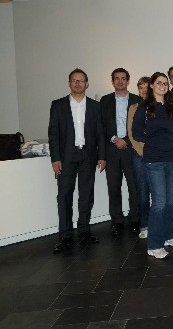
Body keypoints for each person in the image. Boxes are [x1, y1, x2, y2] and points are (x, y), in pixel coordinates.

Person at [48, 68, 106, 253]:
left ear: (86, 84)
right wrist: (55, 158)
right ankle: (65, 235)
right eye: (74, 81)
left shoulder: (95, 106)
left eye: (81, 81)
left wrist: (102, 156)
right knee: (64, 195)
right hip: (66, 157)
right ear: (69, 84)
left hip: (88, 156)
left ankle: (84, 231)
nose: (77, 84)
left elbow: (99, 133)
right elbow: (54, 133)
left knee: (86, 195)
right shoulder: (58, 105)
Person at [132, 72, 173, 259]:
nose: (163, 85)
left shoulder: (172, 106)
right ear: (152, 86)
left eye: (165, 83)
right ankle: (154, 244)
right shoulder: (144, 108)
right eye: (159, 83)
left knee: (170, 201)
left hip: (172, 159)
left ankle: (169, 235)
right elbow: (136, 133)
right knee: (159, 202)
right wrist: (154, 143)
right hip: (154, 160)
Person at [99, 68, 142, 236]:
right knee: (114, 188)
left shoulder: (137, 100)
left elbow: (140, 127)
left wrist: (127, 141)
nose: (120, 81)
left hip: (132, 150)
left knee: (134, 188)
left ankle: (134, 220)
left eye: (123, 78)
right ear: (112, 81)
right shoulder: (105, 101)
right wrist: (113, 138)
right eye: (116, 79)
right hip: (112, 150)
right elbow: (100, 125)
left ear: (128, 81)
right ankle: (117, 221)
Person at [127, 76, 151, 239]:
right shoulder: (134, 108)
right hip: (139, 155)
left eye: (146, 87)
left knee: (159, 195)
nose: (143, 90)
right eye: (140, 87)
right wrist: (143, 151)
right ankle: (144, 224)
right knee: (142, 193)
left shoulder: (158, 106)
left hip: (158, 156)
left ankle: (158, 225)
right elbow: (131, 133)